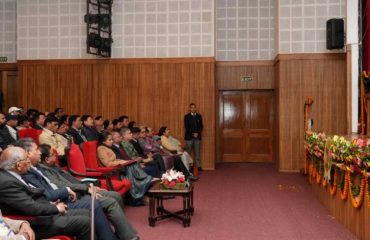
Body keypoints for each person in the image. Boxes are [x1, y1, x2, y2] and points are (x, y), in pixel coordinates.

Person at [16, 139, 118, 240]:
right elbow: (45, 194)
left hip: (61, 197)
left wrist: (83, 187)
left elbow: (56, 185)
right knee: (92, 207)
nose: (39, 152)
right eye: (36, 149)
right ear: (28, 154)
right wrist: (66, 192)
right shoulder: (27, 172)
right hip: (51, 207)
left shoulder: (37, 167)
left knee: (94, 205)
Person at [39, 144, 139, 240]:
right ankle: (129, 237)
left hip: (81, 190)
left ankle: (121, 231)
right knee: (111, 202)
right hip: (76, 195)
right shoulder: (45, 171)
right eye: (52, 154)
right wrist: (86, 188)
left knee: (116, 195)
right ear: (46, 159)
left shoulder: (54, 166)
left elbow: (72, 180)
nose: (55, 155)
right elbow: (63, 186)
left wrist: (89, 186)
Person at [0, 146, 91, 240]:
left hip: (41, 214)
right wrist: (56, 208)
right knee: (85, 221)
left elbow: (30, 198)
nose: (29, 161)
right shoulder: (7, 182)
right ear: (18, 165)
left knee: (86, 213)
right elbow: (30, 207)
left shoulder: (13, 176)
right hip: (35, 223)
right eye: (26, 159)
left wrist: (49, 204)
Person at [98, 131, 152, 206]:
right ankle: (143, 179)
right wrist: (123, 163)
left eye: (112, 139)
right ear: (103, 141)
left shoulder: (107, 147)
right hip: (114, 172)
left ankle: (143, 180)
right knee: (132, 166)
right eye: (109, 140)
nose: (112, 141)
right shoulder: (101, 149)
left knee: (132, 164)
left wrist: (126, 161)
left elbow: (115, 160)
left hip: (118, 168)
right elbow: (108, 164)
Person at [184, 103, 203, 170]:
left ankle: (199, 166)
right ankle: (189, 166)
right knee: (188, 152)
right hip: (189, 137)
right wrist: (193, 134)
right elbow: (187, 127)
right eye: (192, 107)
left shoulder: (199, 116)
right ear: (190, 109)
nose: (193, 108)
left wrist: (197, 133)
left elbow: (201, 126)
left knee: (197, 152)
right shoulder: (186, 116)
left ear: (195, 108)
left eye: (194, 107)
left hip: (197, 137)